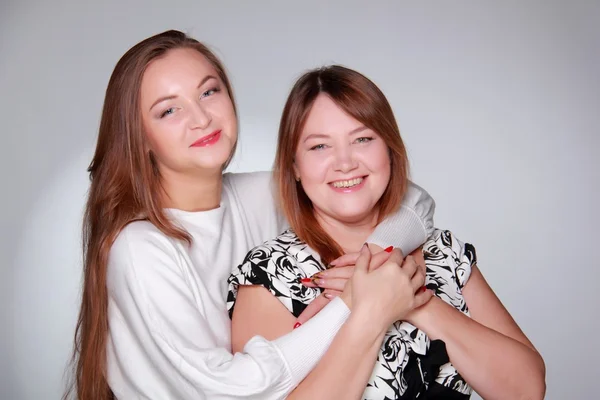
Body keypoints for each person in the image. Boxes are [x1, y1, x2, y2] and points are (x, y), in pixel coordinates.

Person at [65, 30, 438, 399]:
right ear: (139, 137)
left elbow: (410, 199)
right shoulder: (140, 250)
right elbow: (234, 391)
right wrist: (357, 301)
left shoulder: (259, 195)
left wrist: (369, 264)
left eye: (209, 91)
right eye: (169, 110)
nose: (201, 118)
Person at [228, 65, 547, 399]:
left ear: (390, 150)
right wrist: (372, 306)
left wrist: (415, 301)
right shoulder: (270, 275)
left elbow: (527, 390)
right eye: (320, 147)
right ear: (294, 165)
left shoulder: (442, 251)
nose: (345, 162)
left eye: (363, 139)